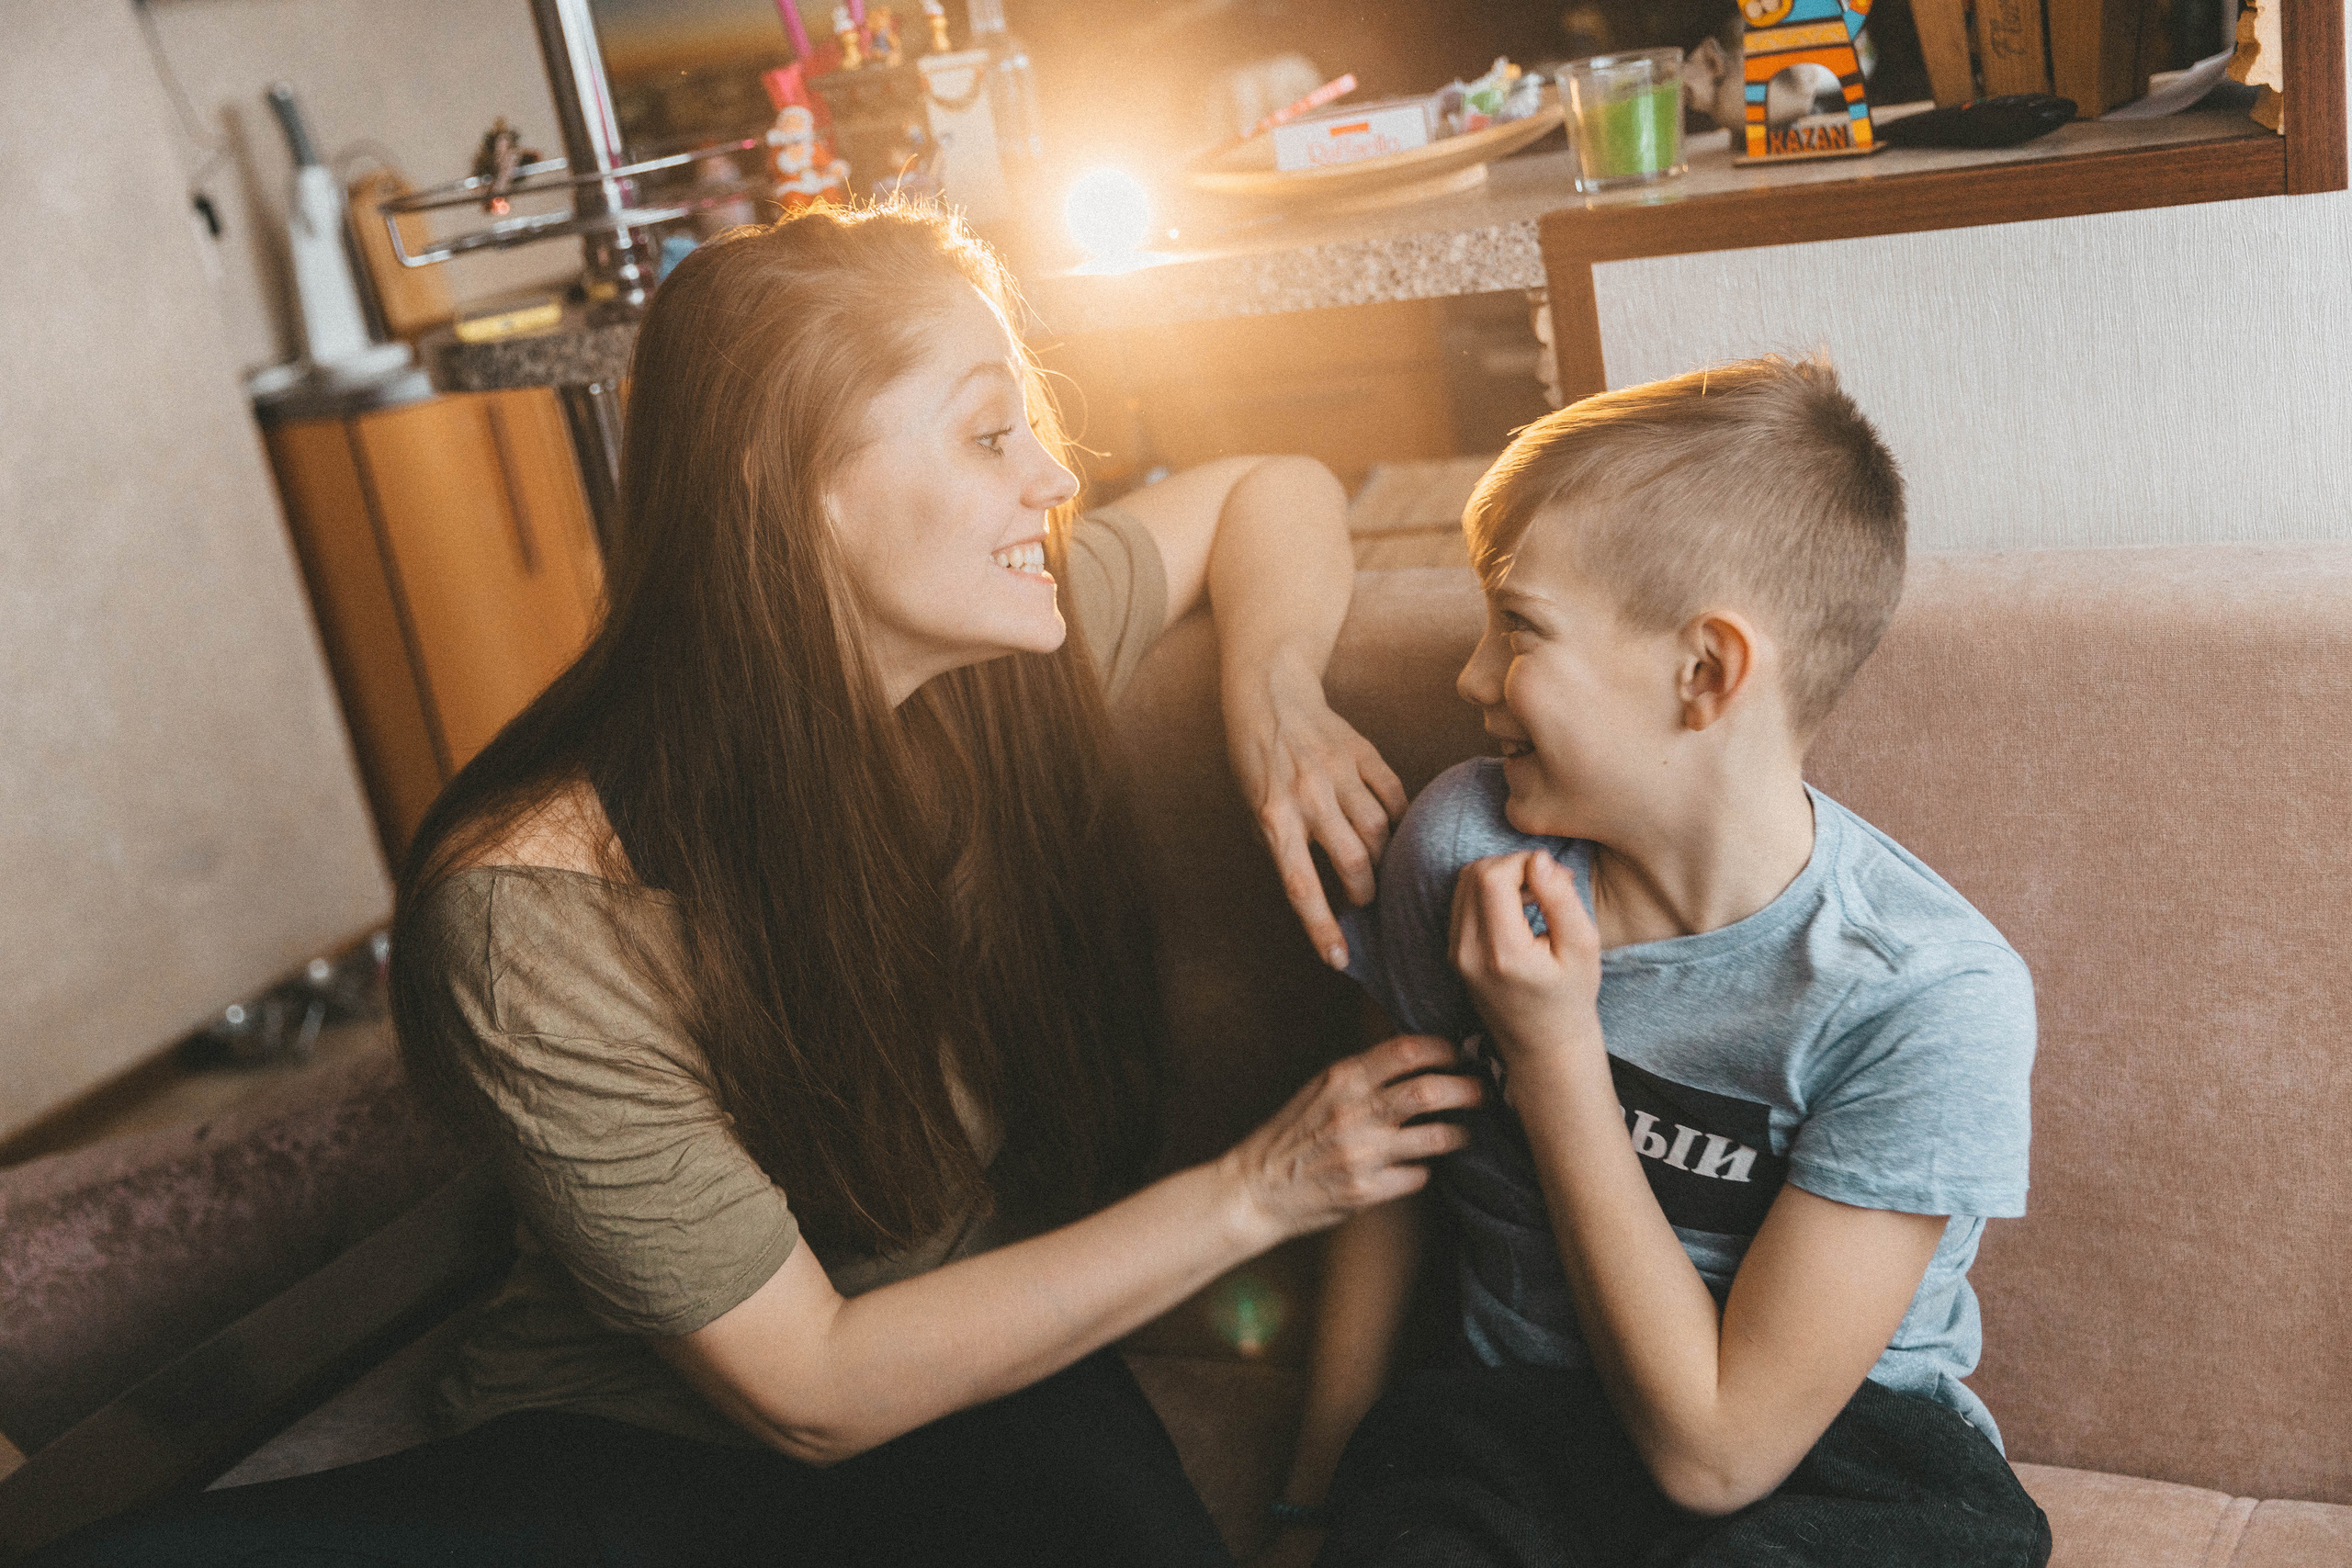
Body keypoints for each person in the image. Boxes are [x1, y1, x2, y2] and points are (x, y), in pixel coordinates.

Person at [33, 203, 1485, 1567]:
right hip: (635, 1444)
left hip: (984, 1365)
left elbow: (1267, 492)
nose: (1053, 475)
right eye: (991, 433)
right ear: (788, 489)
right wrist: (1263, 1190)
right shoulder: (533, 910)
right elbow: (809, 1388)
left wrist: (1279, 692)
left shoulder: (1003, 670)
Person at [1262, 356, 2052, 1568]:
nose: (1471, 679)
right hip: (1510, 1432)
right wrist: (1314, 1495)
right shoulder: (1463, 844)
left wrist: (1556, 1054)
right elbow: (1387, 1172)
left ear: (1706, 673)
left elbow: (1721, 1453)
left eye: (1517, 627)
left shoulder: (1923, 998)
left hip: (1847, 1465)